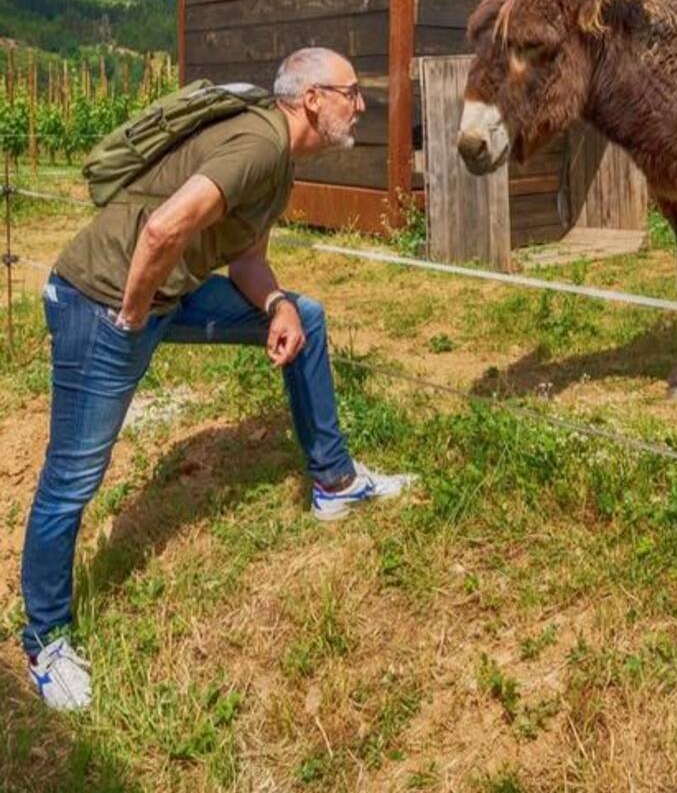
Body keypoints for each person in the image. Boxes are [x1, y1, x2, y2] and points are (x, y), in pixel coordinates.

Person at [21, 47, 418, 711]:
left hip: (157, 300)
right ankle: (45, 639)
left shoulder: (278, 163)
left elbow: (246, 262)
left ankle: (335, 482)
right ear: (314, 98)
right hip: (102, 306)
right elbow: (163, 227)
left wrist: (276, 306)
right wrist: (130, 315)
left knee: (307, 317)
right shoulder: (260, 144)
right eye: (352, 92)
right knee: (74, 477)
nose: (361, 105)